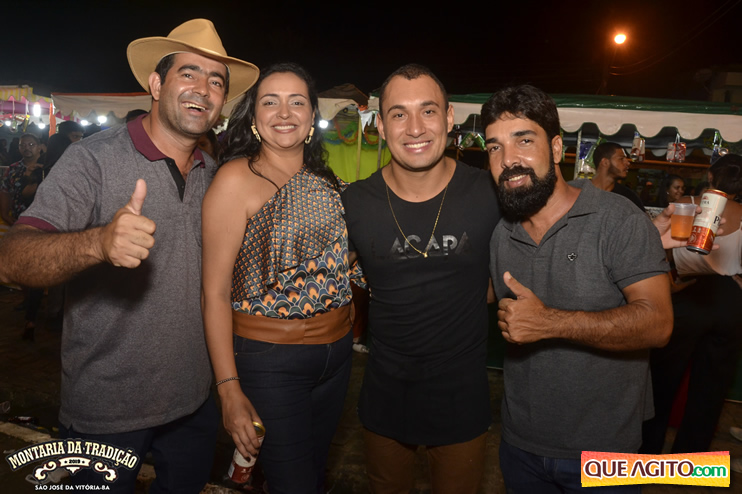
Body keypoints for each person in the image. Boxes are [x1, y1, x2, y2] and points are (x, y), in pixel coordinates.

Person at [0, 18, 259, 492]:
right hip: (106, 411)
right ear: (156, 85)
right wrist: (98, 242)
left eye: (216, 81)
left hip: (193, 403)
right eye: (188, 73)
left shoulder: (214, 172)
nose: (203, 89)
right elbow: (11, 257)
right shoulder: (93, 159)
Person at [482, 85, 672, 493]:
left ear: (556, 148)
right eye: (495, 147)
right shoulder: (502, 233)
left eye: (523, 141)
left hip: (605, 452)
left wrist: (549, 322)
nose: (508, 159)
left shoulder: (617, 219)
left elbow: (658, 323)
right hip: (520, 445)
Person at [342, 64, 500, 494]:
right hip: (385, 398)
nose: (415, 128)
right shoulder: (355, 202)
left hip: (462, 401)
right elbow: (318, 275)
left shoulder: (490, 193)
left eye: (428, 111)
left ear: (449, 118)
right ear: (380, 125)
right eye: (399, 114)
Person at [202, 62, 352, 494]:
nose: (284, 113)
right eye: (270, 102)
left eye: (296, 102)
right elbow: (214, 293)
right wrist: (229, 390)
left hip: (337, 356)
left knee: (313, 475)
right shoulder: (235, 179)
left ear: (312, 116)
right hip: (270, 361)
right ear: (254, 116)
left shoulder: (325, 181)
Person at [641, 153, 742, 455]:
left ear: (710, 177)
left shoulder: (686, 204)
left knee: (661, 381)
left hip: (687, 293)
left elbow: (659, 254)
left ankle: (646, 455)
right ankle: (691, 463)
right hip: (731, 302)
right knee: (711, 390)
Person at [0, 133, 46, 340]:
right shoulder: (12, 169)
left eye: (31, 144)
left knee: (35, 267)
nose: (26, 148)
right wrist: (5, 214)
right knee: (22, 266)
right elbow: (6, 192)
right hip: (18, 222)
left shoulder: (46, 168)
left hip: (42, 224)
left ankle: (32, 314)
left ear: (40, 147)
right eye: (22, 145)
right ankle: (29, 300)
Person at [591, 141, 645, 211]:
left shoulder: (628, 196)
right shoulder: (580, 191)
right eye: (621, 159)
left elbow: (642, 217)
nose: (628, 163)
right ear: (605, 162)